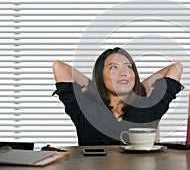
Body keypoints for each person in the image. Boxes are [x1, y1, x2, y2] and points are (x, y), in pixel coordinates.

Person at [52, 47, 183, 145]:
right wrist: (92, 85)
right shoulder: (85, 108)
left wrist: (140, 86)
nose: (123, 72)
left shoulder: (150, 106)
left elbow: (176, 68)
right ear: (100, 76)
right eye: (113, 67)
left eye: (128, 67)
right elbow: (59, 67)